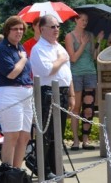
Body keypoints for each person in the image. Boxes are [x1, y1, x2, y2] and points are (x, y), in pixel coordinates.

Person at [30, 14, 76, 180]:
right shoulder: (38, 49)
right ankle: (44, 167)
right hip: (47, 93)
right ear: (42, 29)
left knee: (59, 133)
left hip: (62, 92)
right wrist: (61, 59)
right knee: (47, 134)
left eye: (58, 26)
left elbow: (68, 73)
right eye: (52, 27)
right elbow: (46, 70)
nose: (56, 29)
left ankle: (58, 167)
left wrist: (71, 94)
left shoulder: (59, 47)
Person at [0, 16, 33, 168]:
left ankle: (16, 172)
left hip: (26, 95)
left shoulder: (20, 48)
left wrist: (22, 57)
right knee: (12, 135)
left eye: (21, 29)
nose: (19, 32)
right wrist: (23, 59)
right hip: (9, 94)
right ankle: (7, 173)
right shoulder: (2, 49)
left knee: (25, 136)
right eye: (15, 29)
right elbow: (12, 74)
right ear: (8, 30)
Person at [65, 12, 102, 151]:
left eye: (86, 20)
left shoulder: (90, 35)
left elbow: (93, 56)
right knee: (76, 107)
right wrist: (82, 45)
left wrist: (98, 41)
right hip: (76, 74)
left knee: (88, 108)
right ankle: (75, 141)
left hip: (90, 73)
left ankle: (86, 140)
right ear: (76, 20)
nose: (84, 22)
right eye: (82, 19)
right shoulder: (69, 36)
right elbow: (73, 58)